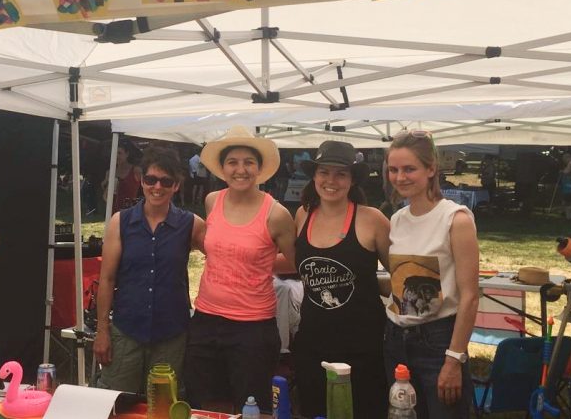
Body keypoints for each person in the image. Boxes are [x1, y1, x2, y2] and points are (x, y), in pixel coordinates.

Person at [183, 126, 297, 414]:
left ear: (260, 169)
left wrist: (260, 262)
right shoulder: (213, 201)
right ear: (222, 169)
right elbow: (220, 247)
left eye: (249, 162)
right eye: (233, 162)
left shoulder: (276, 214)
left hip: (253, 328)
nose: (241, 169)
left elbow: (296, 262)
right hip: (206, 319)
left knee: (250, 407)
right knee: (202, 404)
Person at [278, 140, 390, 419]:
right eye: (324, 172)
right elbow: (298, 265)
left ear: (352, 180)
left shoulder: (372, 219)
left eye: (341, 173)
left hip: (363, 348)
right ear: (314, 176)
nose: (331, 181)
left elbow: (401, 275)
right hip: (312, 345)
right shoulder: (303, 215)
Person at [93, 146, 205, 393]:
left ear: (176, 185)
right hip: (126, 330)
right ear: (141, 180)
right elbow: (107, 278)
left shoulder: (191, 225)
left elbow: (225, 258)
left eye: (166, 181)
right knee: (118, 403)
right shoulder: (120, 222)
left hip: (171, 334)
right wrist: (102, 331)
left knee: (164, 405)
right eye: (150, 179)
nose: (157, 187)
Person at [384, 130, 479, 419]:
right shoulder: (397, 219)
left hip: (438, 343)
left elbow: (470, 297)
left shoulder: (456, 219)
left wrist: (453, 359)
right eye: (393, 169)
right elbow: (404, 283)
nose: (400, 177)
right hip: (396, 340)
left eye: (409, 169)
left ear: (431, 168)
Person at [110, 139, 143, 213]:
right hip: (113, 213)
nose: (116, 156)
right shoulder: (110, 172)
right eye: (114, 153)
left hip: (130, 212)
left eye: (119, 153)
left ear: (127, 154)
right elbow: (106, 198)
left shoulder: (136, 170)